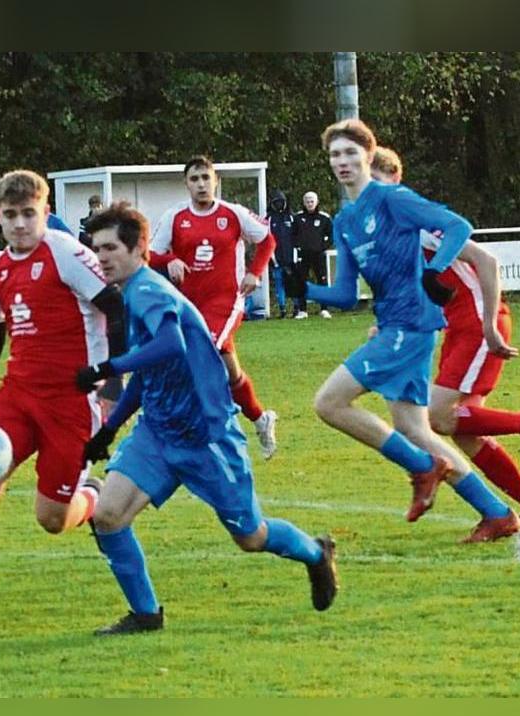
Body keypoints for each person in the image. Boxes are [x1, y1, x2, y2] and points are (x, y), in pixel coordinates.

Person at [78, 202, 338, 635]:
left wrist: (108, 368)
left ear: (140, 247)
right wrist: (106, 430)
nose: (101, 257)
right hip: (159, 433)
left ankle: (315, 552)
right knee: (107, 516)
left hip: (207, 436)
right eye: (96, 248)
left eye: (109, 248)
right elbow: (148, 376)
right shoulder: (130, 297)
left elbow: (171, 345)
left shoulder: (149, 292)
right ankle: (145, 614)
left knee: (250, 537)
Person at [302, 119, 520, 543]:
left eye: (351, 153)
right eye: (335, 155)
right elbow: (347, 295)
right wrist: (304, 288)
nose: (343, 161)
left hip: (410, 325)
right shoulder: (345, 221)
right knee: (415, 429)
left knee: (329, 403)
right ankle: (497, 513)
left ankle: (423, 468)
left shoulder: (392, 199)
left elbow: (458, 227)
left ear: (369, 156)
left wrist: (434, 271)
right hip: (393, 325)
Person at [0, 170, 126, 622]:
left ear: (45, 212)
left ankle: (93, 492)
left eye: (28, 214)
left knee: (52, 519)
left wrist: (113, 384)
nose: (20, 224)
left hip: (73, 399)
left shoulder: (68, 254)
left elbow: (116, 308)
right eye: (10, 215)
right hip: (18, 395)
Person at [371, 146, 520, 526]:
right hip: (457, 330)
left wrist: (489, 324)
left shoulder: (420, 222)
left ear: (395, 179)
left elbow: (486, 261)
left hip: (477, 325)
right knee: (464, 432)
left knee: (439, 418)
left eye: (377, 182)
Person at [148, 157, 279, 459]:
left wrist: (255, 272)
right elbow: (151, 252)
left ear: (216, 181)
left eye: (206, 178)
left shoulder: (233, 214)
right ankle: (260, 418)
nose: (201, 184)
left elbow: (267, 240)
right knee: (230, 372)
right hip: (189, 303)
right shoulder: (176, 217)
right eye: (195, 179)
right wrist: (170, 260)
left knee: (201, 355)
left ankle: (212, 440)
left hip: (226, 300)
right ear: (187, 184)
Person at [293, 191, 334, 319]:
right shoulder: (298, 218)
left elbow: (331, 236)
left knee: (322, 280)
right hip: (303, 256)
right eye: (307, 201)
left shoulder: (324, 218)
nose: (310, 204)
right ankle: (302, 310)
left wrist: (322, 247)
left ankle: (324, 309)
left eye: (312, 201)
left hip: (319, 256)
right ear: (304, 203)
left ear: (316, 202)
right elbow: (293, 235)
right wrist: (298, 247)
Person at [266, 188, 297, 318]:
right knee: (279, 283)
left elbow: (297, 237)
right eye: (276, 201)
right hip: (276, 257)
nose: (279, 204)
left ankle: (296, 308)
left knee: (293, 283)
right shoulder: (268, 219)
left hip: (291, 257)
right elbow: (267, 238)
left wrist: (296, 256)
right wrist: (271, 257)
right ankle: (282, 309)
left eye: (281, 201)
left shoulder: (291, 217)